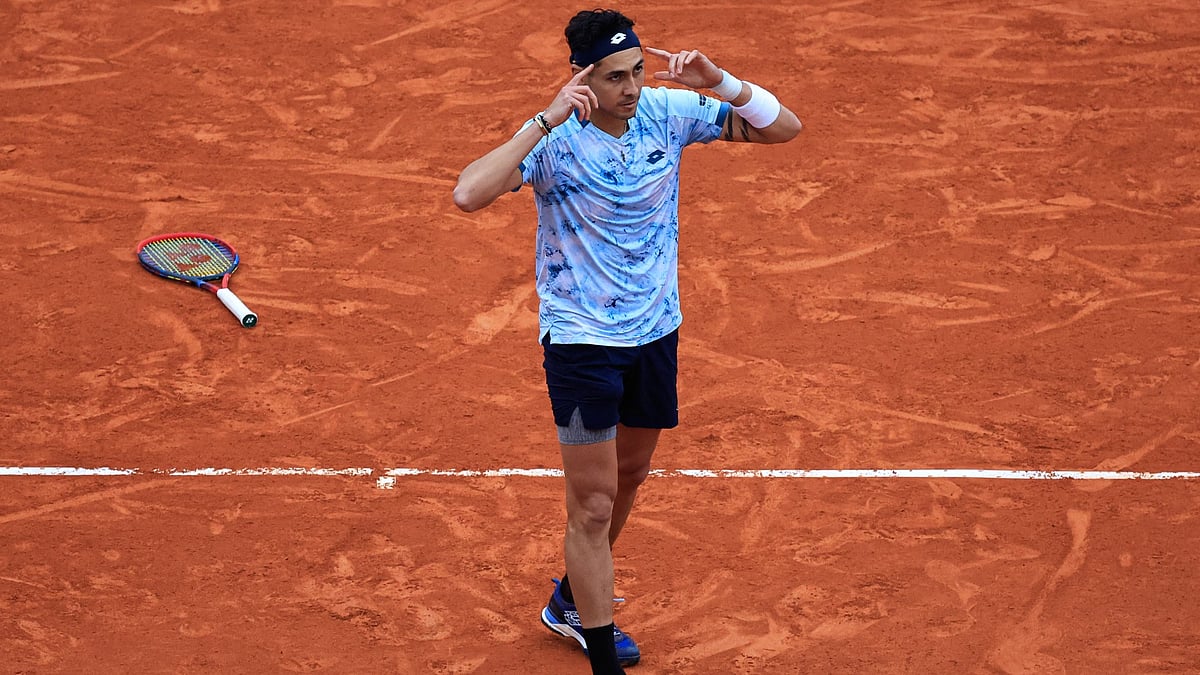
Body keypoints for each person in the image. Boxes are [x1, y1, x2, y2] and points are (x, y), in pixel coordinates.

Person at [453, 8, 801, 674]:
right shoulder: (554, 144)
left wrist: (720, 81)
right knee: (591, 502)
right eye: (615, 77)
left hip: (654, 335)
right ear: (583, 78)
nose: (633, 88)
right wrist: (545, 118)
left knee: (631, 476)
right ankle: (600, 649)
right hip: (583, 345)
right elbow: (469, 194)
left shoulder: (667, 113)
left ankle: (570, 602)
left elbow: (785, 129)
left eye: (638, 71)